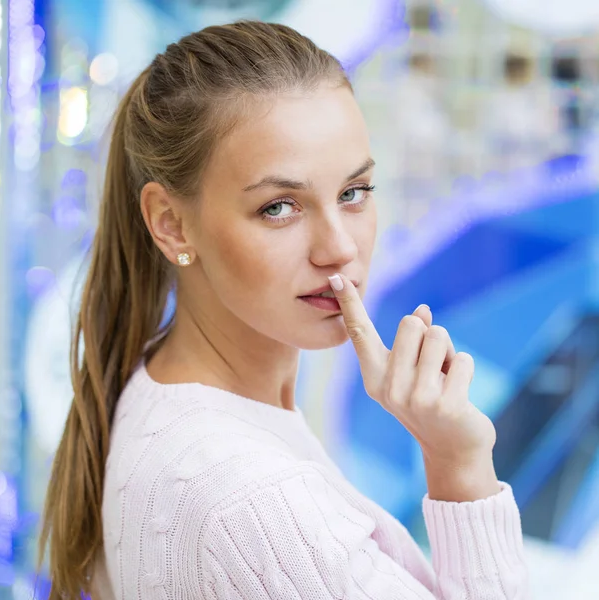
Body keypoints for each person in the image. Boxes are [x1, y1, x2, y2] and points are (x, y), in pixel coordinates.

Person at [38, 21, 529, 599]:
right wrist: (461, 464)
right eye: (279, 208)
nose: (340, 247)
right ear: (170, 224)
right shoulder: (253, 503)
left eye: (353, 193)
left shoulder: (171, 397)